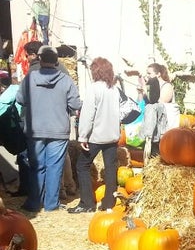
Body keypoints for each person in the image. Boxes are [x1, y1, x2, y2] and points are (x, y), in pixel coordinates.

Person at [16, 45, 82, 212]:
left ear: (40, 59)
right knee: (54, 167)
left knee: (36, 166)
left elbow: (20, 100)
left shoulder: (30, 78)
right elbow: (75, 104)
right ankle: (51, 204)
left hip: (35, 129)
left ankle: (33, 202)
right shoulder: (66, 80)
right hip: (58, 130)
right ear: (57, 61)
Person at [68, 57, 121, 214]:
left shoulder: (94, 88)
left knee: (82, 166)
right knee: (111, 168)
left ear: (95, 71)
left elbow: (87, 114)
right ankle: (109, 203)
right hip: (112, 136)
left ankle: (87, 203)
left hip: (96, 136)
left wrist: (82, 136)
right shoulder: (114, 89)